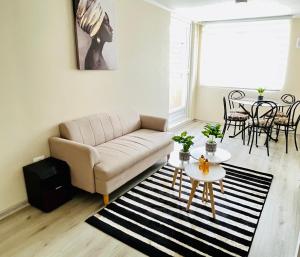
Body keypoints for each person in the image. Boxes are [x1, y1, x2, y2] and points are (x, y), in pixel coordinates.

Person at [76, 0, 114, 70]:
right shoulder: (94, 62)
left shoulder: (97, 55)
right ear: (96, 29)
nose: (111, 29)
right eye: (106, 23)